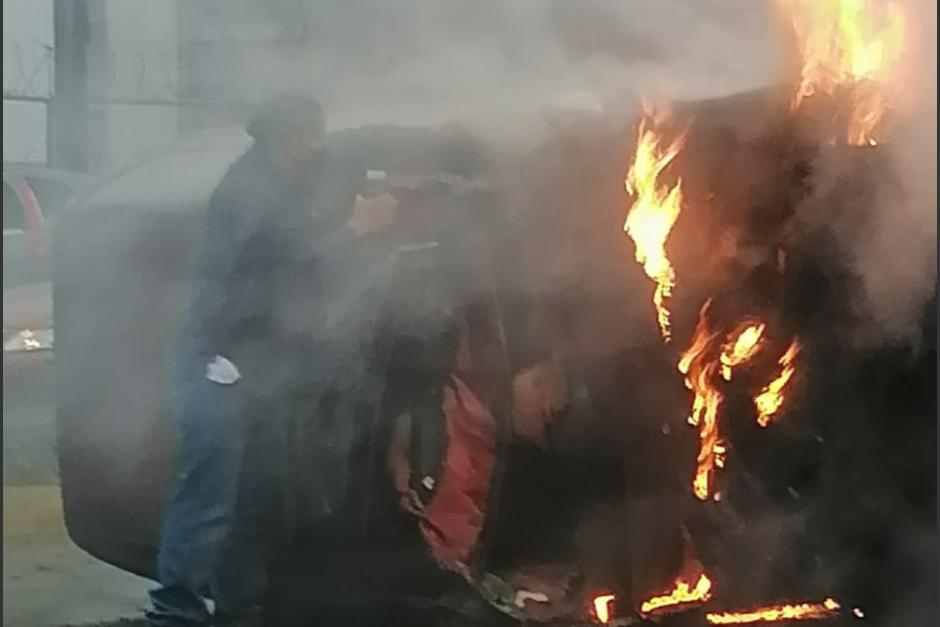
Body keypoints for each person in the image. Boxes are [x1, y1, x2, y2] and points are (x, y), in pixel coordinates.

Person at [147, 95, 397, 627]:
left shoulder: (277, 181)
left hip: (257, 358)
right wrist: (356, 230)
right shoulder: (251, 188)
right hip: (222, 356)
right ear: (291, 135)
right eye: (311, 135)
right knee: (212, 489)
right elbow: (267, 265)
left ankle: (239, 603)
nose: (316, 146)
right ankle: (178, 607)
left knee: (258, 488)